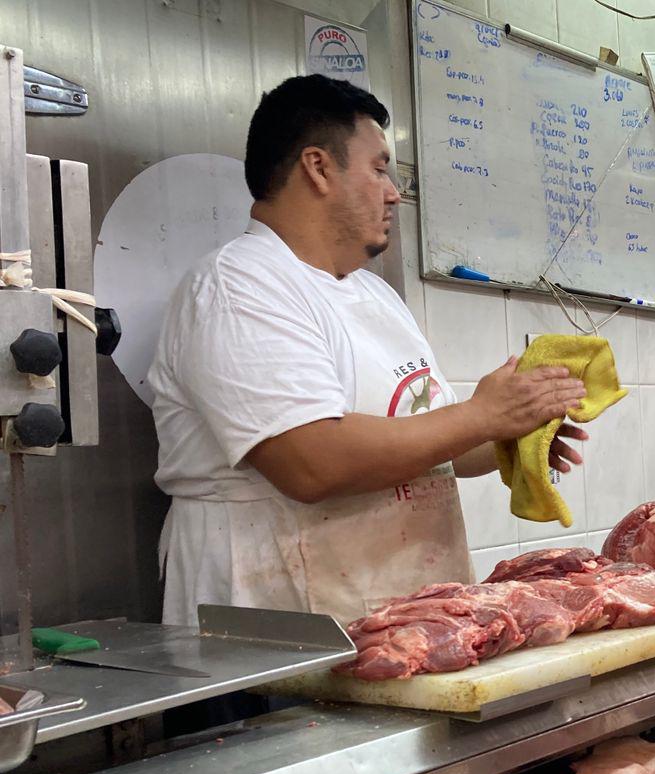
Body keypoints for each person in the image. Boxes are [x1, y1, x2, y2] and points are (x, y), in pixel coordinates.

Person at [150, 75, 588, 627]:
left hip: (397, 615)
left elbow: (426, 438)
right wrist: (482, 415)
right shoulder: (238, 285)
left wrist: (507, 436)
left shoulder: (371, 292)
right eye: (379, 167)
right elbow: (311, 463)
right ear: (318, 167)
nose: (393, 192)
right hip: (273, 636)